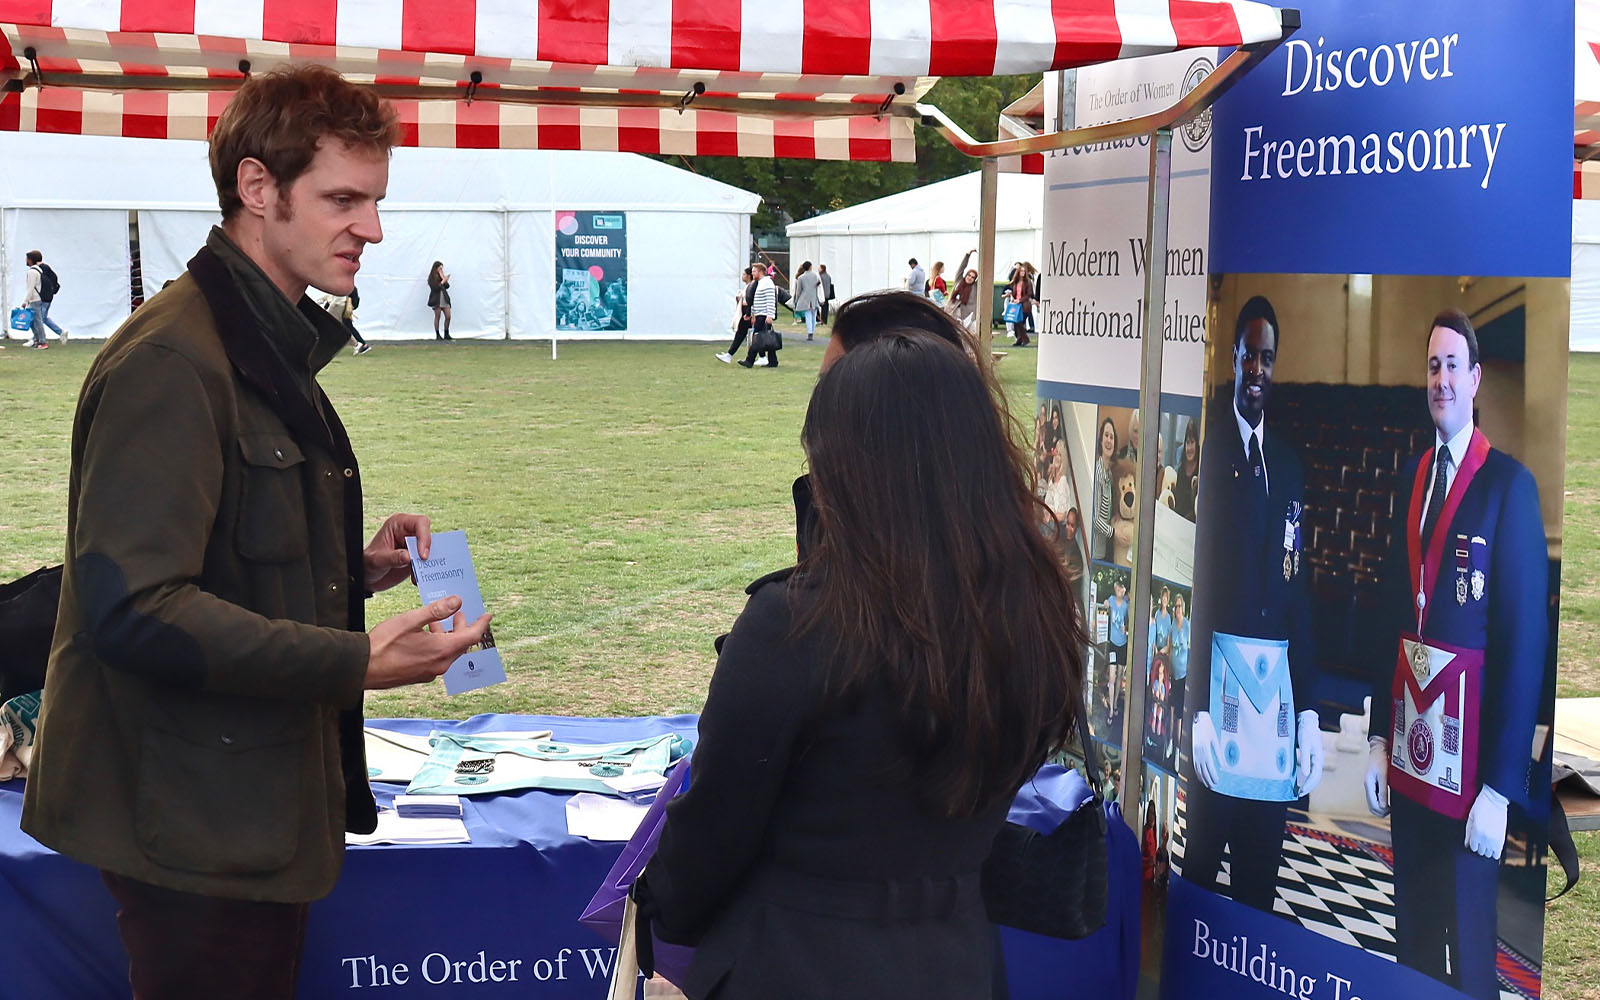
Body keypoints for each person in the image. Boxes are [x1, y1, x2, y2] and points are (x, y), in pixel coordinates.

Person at [20, 64, 493, 999]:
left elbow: (219, 550)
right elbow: (136, 609)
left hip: (241, 796)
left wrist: (349, 570)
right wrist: (349, 658)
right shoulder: (172, 359)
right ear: (257, 187)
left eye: (375, 200)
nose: (373, 228)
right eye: (344, 199)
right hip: (191, 814)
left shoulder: (253, 336)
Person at [635, 327, 1087, 999]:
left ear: (845, 466)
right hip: (954, 963)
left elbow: (709, 841)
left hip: (796, 965)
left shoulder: (796, 621)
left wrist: (664, 904)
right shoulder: (1036, 609)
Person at [1363, 309, 1547, 999]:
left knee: (1470, 965)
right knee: (1414, 948)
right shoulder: (1412, 480)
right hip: (1414, 769)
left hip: (1472, 788)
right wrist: (1380, 737)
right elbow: (1392, 615)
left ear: (1475, 379)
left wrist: (1500, 788)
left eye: (1452, 366)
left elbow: (1525, 649)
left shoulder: (1508, 487)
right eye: (1432, 366)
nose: (1441, 379)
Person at [1182, 295, 1322, 915]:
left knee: (1259, 890)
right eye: (1249, 357)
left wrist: (1312, 710)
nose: (1258, 370)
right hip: (1221, 707)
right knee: (1202, 880)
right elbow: (1195, 586)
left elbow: (1298, 592)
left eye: (1268, 358)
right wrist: (1195, 708)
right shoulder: (1207, 458)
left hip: (1275, 719)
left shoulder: (1288, 467)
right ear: (1233, 360)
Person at [739, 262, 778, 369]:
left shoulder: (767, 283)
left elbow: (771, 300)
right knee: (766, 338)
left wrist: (770, 315)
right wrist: (752, 314)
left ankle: (749, 360)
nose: (752, 274)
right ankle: (773, 361)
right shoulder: (760, 283)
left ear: (761, 272)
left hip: (764, 315)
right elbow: (756, 301)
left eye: (754, 271)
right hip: (760, 314)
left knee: (757, 338)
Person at [1091, 417, 1119, 561]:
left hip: (1107, 548)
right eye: (1106, 436)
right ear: (1101, 441)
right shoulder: (1097, 472)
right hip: (1095, 551)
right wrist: (1114, 533)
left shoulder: (1110, 474)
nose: (1109, 440)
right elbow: (1094, 518)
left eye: (1112, 437)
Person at [716, 266, 754, 364]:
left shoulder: (751, 286)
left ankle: (729, 355)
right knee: (744, 334)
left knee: (742, 334)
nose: (742, 276)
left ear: (749, 276)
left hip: (748, 313)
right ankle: (729, 354)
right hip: (745, 312)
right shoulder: (747, 286)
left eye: (744, 274)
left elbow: (749, 301)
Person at [30, 250, 69, 344]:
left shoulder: (40, 269)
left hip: (43, 297)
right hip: (47, 297)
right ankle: (39, 337)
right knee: (42, 318)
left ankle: (39, 338)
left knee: (40, 318)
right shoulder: (46, 268)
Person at [321, 285, 371, 355]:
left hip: (342, 308)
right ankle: (361, 344)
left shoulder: (346, 286)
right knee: (347, 327)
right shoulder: (348, 286)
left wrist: (326, 306)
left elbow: (335, 297)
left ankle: (360, 345)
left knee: (343, 327)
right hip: (345, 308)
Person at [19, 250, 49, 348]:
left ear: (31, 260)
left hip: (34, 299)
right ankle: (37, 339)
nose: (26, 260)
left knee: (37, 321)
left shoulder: (32, 272)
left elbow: (30, 288)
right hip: (36, 298)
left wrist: (25, 301)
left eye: (27, 259)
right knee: (34, 321)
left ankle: (42, 341)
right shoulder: (38, 270)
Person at [1172, 419, 1200, 520]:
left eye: (1192, 442)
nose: (1189, 448)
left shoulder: (1201, 470)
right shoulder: (1180, 470)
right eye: (1187, 442)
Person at [793, 260, 822, 342]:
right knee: (814, 315)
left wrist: (796, 299)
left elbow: (798, 291)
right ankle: (812, 331)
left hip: (805, 298)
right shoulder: (815, 276)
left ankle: (810, 332)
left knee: (808, 315)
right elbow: (819, 287)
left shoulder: (800, 278)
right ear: (810, 267)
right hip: (814, 298)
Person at [427, 260, 452, 339]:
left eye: (442, 268)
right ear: (436, 268)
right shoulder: (431, 278)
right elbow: (435, 288)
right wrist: (442, 281)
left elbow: (447, 286)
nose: (441, 270)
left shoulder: (442, 276)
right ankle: (437, 334)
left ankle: (446, 333)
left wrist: (443, 278)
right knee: (438, 316)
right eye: (440, 268)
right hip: (436, 299)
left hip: (444, 298)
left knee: (448, 316)